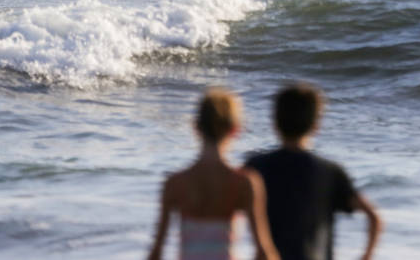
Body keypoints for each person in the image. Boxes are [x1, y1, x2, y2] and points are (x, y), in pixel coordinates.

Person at [245, 83, 382, 260]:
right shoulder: (329, 172)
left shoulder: (256, 168)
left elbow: (227, 211)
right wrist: (366, 256)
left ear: (275, 121)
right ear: (316, 124)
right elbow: (373, 217)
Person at [149, 87, 279, 260]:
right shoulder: (244, 183)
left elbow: (156, 253)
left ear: (196, 127)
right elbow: (263, 251)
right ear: (235, 130)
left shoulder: (175, 183)